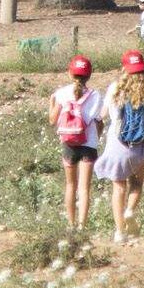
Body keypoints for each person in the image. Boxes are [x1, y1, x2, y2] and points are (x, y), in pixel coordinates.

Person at [94, 51, 144, 242]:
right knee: (137, 183)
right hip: (139, 146)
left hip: (117, 143)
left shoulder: (115, 88)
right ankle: (129, 210)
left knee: (118, 187)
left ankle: (120, 232)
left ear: (124, 68)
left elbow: (102, 114)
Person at [48, 53, 103, 230]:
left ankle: (71, 224)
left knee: (70, 185)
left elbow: (52, 120)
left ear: (69, 73)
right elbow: (98, 121)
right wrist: (97, 137)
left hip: (68, 143)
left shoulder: (62, 93)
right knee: (84, 188)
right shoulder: (96, 95)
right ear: (90, 75)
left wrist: (51, 103)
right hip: (89, 144)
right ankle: (82, 225)